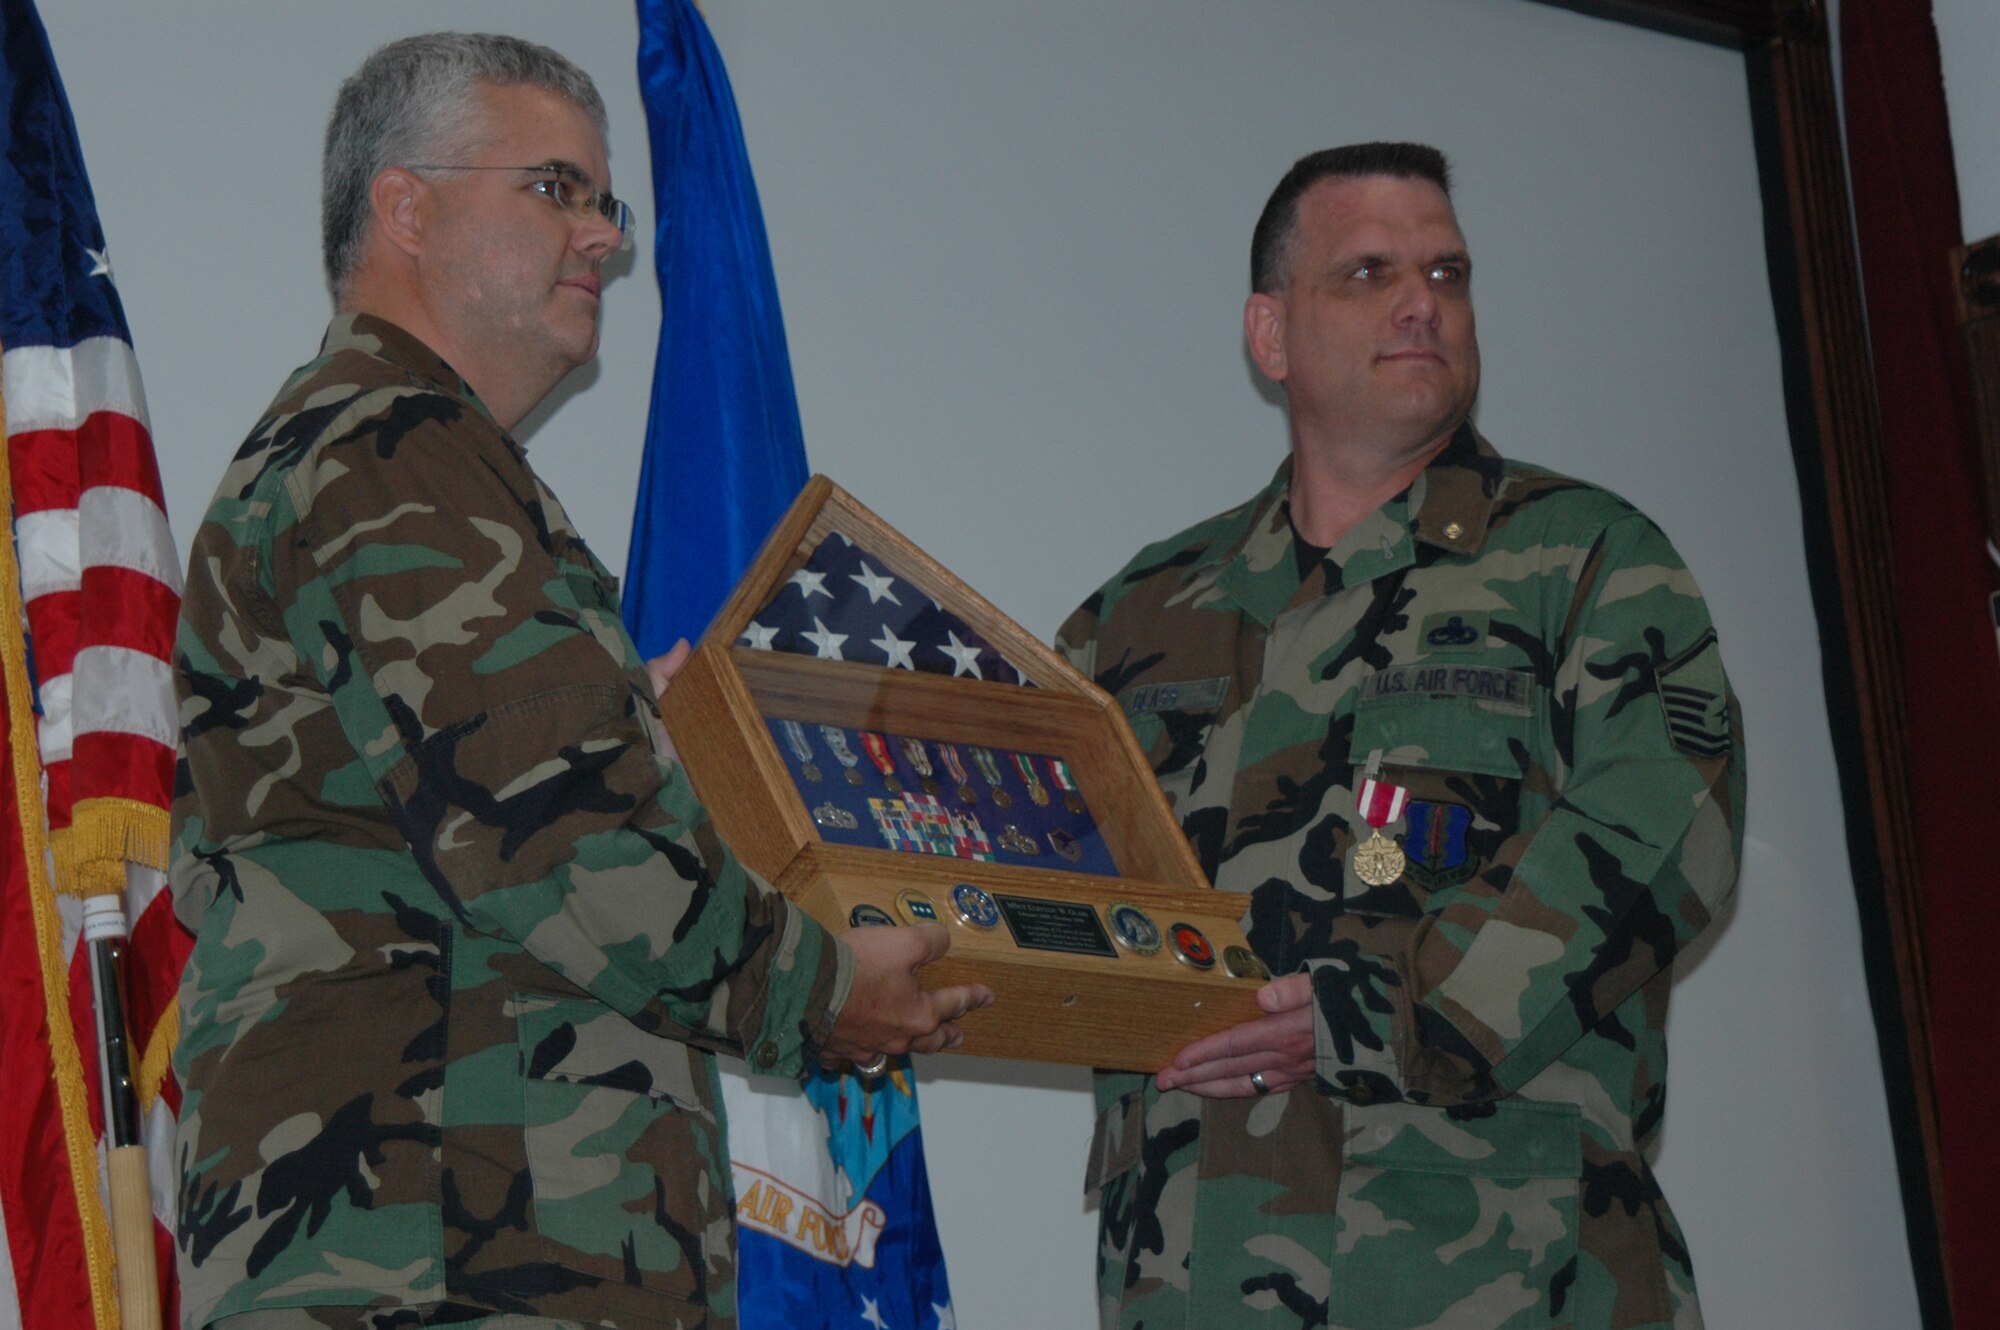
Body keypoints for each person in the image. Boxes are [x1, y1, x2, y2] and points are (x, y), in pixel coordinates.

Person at [169, 33, 988, 1330]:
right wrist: (829, 991)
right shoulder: (400, 447)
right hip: (447, 1251)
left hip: (448, 1237)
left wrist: (645, 744)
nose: (603, 238)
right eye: (554, 189)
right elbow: (562, 842)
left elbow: (464, 814)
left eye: (607, 203)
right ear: (406, 206)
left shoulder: (379, 455)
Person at [1056, 143, 1743, 1329]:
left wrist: (1385, 1012)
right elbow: (1023, 863)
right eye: (1367, 271)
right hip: (1191, 1276)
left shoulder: (1585, 558)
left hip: (1497, 1266)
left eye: (1448, 271)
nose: (1422, 300)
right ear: (1268, 338)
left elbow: (1668, 831)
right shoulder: (1136, 616)